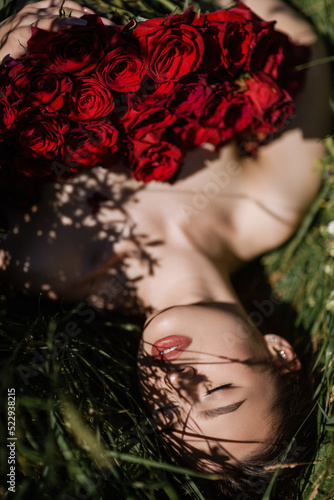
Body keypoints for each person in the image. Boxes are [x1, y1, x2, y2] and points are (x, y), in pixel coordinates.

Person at [0, 0, 332, 497]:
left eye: (169, 413)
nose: (178, 384)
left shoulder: (42, 265)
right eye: (218, 393)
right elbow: (294, 41)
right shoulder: (268, 207)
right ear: (279, 353)